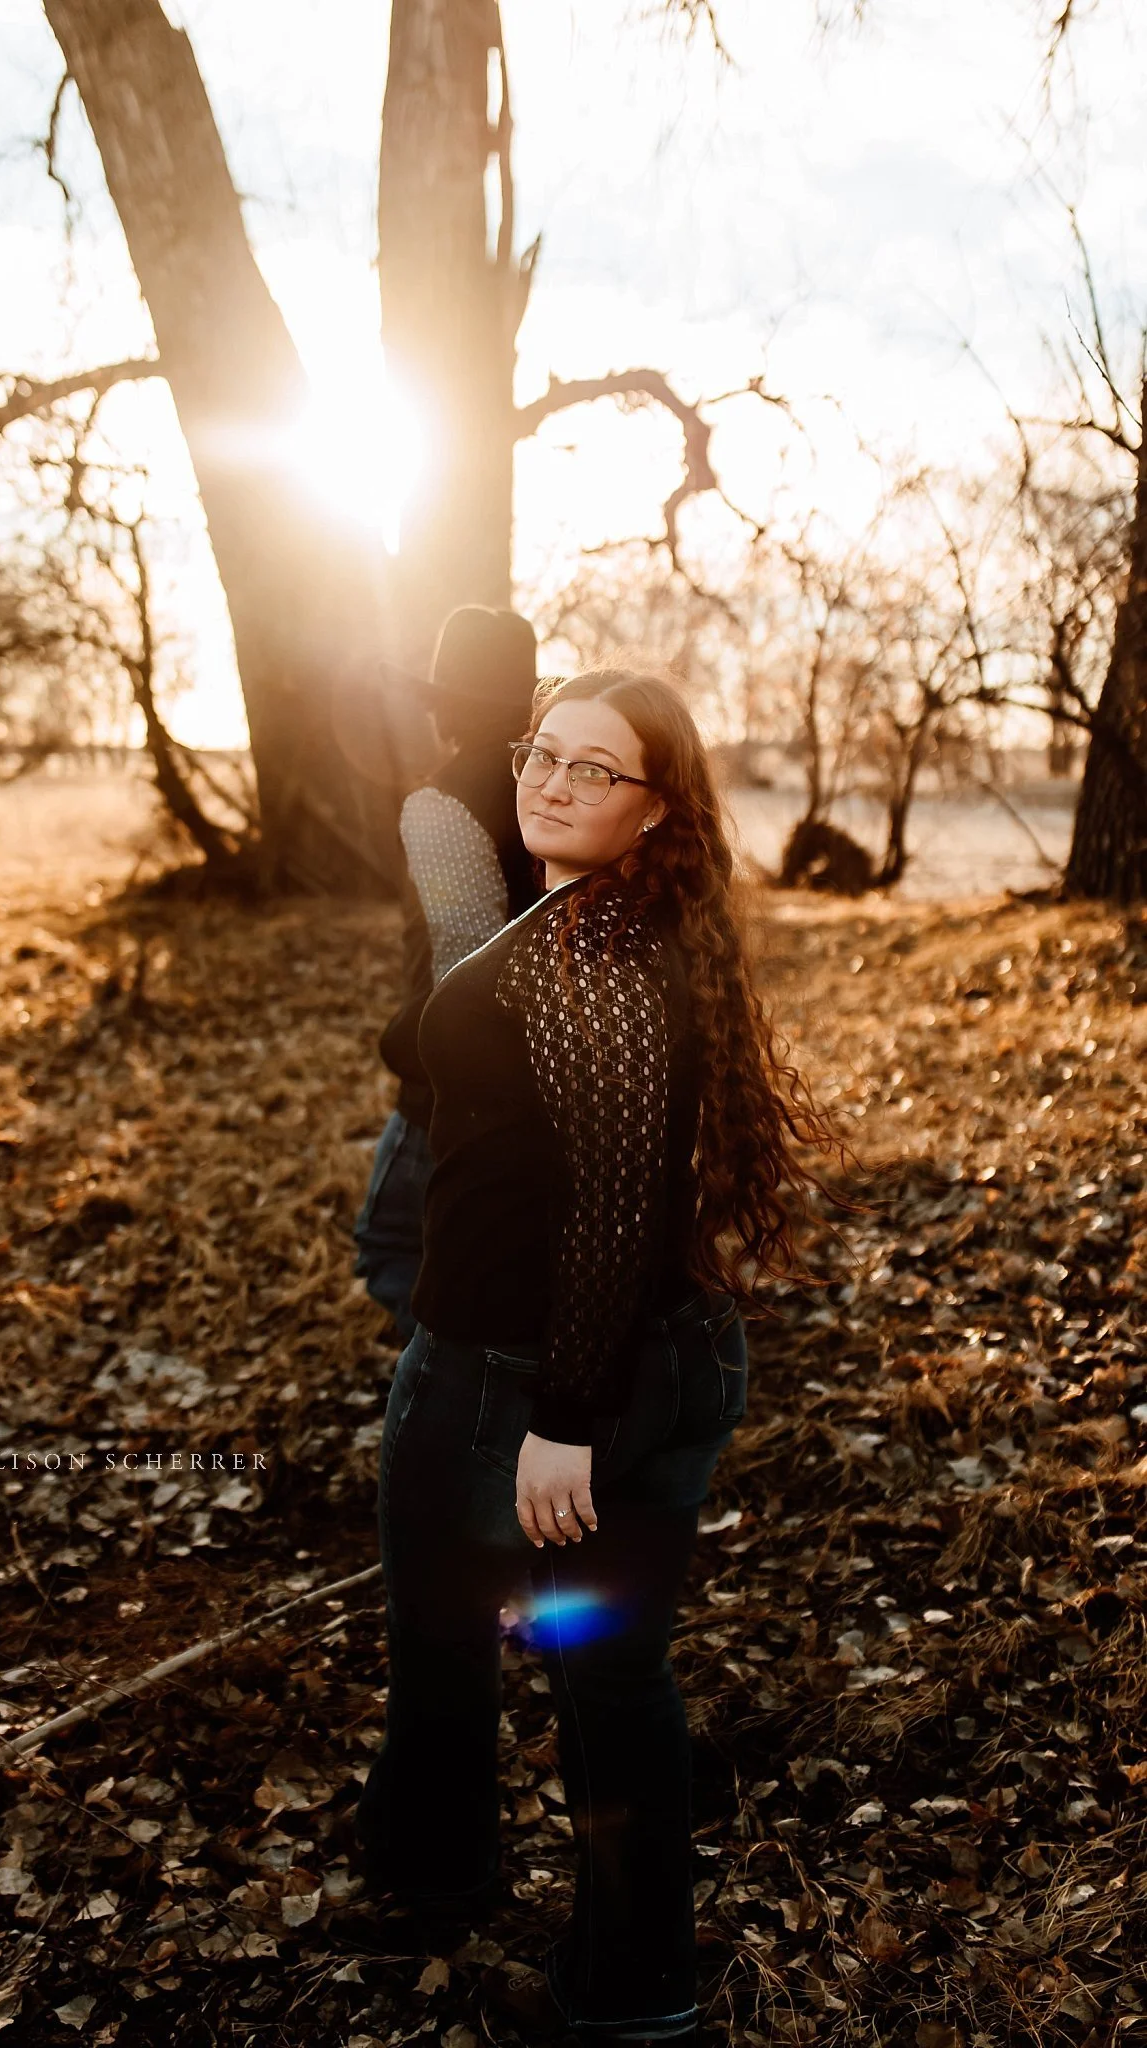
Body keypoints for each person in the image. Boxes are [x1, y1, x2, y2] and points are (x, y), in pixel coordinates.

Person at [349, 668, 861, 2044]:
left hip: (524, 1382)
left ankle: (445, 1882)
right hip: (658, 1355)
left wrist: (563, 1418)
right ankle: (634, 1976)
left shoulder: (595, 966)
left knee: (454, 1642)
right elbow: (456, 1029)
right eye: (541, 753)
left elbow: (619, 1208)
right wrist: (458, 877)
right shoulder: (599, 923)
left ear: (658, 810)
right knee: (611, 1668)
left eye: (596, 770)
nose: (553, 782)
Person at [353, 604, 544, 1343]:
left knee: (394, 1248)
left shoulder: (440, 806)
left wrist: (404, 1045)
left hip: (447, 1083)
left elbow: (465, 964)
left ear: (445, 706)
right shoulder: (550, 789)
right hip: (538, 1074)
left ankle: (448, 1391)